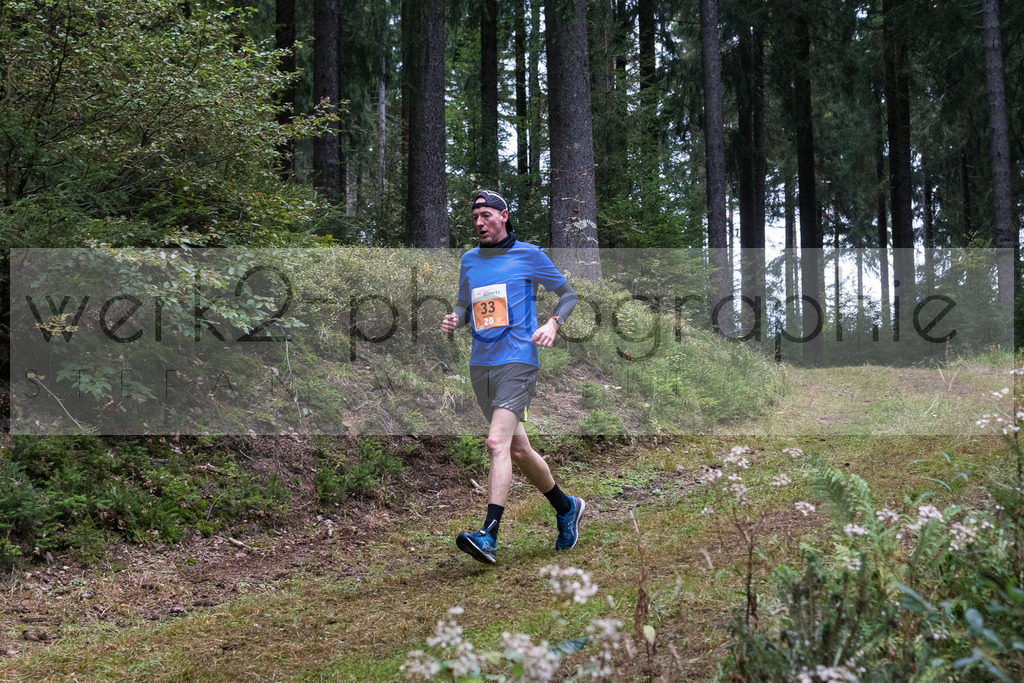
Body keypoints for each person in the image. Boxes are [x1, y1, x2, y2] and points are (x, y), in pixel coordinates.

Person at [440, 189, 584, 565]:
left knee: (495, 443)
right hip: (481, 363)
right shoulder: (470, 260)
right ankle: (566, 507)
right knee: (518, 449)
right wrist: (456, 317)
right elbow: (464, 301)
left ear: (504, 215)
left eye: (486, 215)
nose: (479, 223)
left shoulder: (529, 255)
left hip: (518, 359)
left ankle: (489, 534)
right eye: (475, 218)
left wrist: (554, 323)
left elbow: (568, 295)